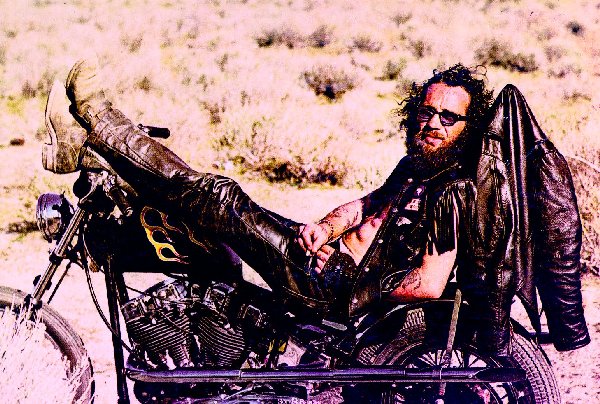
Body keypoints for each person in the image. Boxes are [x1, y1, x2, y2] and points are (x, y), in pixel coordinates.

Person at [44, 59, 589, 357]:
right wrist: (326, 228)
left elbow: (427, 283)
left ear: (468, 128)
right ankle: (92, 152)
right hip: (327, 264)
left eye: (448, 117)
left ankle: (103, 124)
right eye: (426, 111)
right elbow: (369, 205)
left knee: (221, 200)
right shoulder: (418, 168)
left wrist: (357, 288)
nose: (432, 123)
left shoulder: (453, 192)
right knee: (206, 225)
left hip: (333, 289)